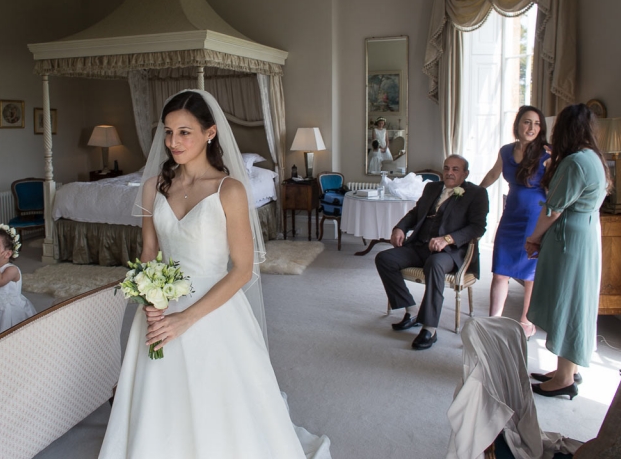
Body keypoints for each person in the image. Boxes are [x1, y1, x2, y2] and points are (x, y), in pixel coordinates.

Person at [99, 90, 330, 458]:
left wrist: (185, 320)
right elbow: (148, 253)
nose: (173, 142)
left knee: (219, 405)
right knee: (159, 399)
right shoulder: (151, 187)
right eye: (168, 132)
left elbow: (241, 270)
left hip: (213, 307)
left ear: (210, 133)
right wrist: (149, 301)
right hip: (162, 306)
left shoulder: (231, 190)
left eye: (185, 132)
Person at [524, 103, 609, 400]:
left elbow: (553, 208)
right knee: (573, 300)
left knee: (569, 303)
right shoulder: (593, 158)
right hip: (582, 235)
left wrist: (534, 238)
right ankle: (566, 369)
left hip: (568, 241)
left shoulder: (575, 163)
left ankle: (564, 378)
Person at [375, 155, 488, 350]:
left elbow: (477, 227)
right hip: (419, 245)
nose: (449, 173)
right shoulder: (432, 188)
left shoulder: (477, 194)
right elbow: (414, 213)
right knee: (384, 259)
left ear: (465, 173)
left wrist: (447, 239)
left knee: (434, 265)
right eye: (446, 168)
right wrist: (399, 228)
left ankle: (430, 328)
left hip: (450, 253)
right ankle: (411, 311)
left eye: (455, 169)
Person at [479, 106, 550, 338]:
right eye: (527, 122)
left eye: (537, 124)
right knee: (500, 270)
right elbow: (493, 174)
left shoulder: (547, 153)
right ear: (517, 125)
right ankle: (493, 321)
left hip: (535, 216)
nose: (532, 128)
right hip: (511, 216)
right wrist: (475, 192)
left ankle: (526, 322)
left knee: (530, 273)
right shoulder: (506, 150)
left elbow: (553, 187)